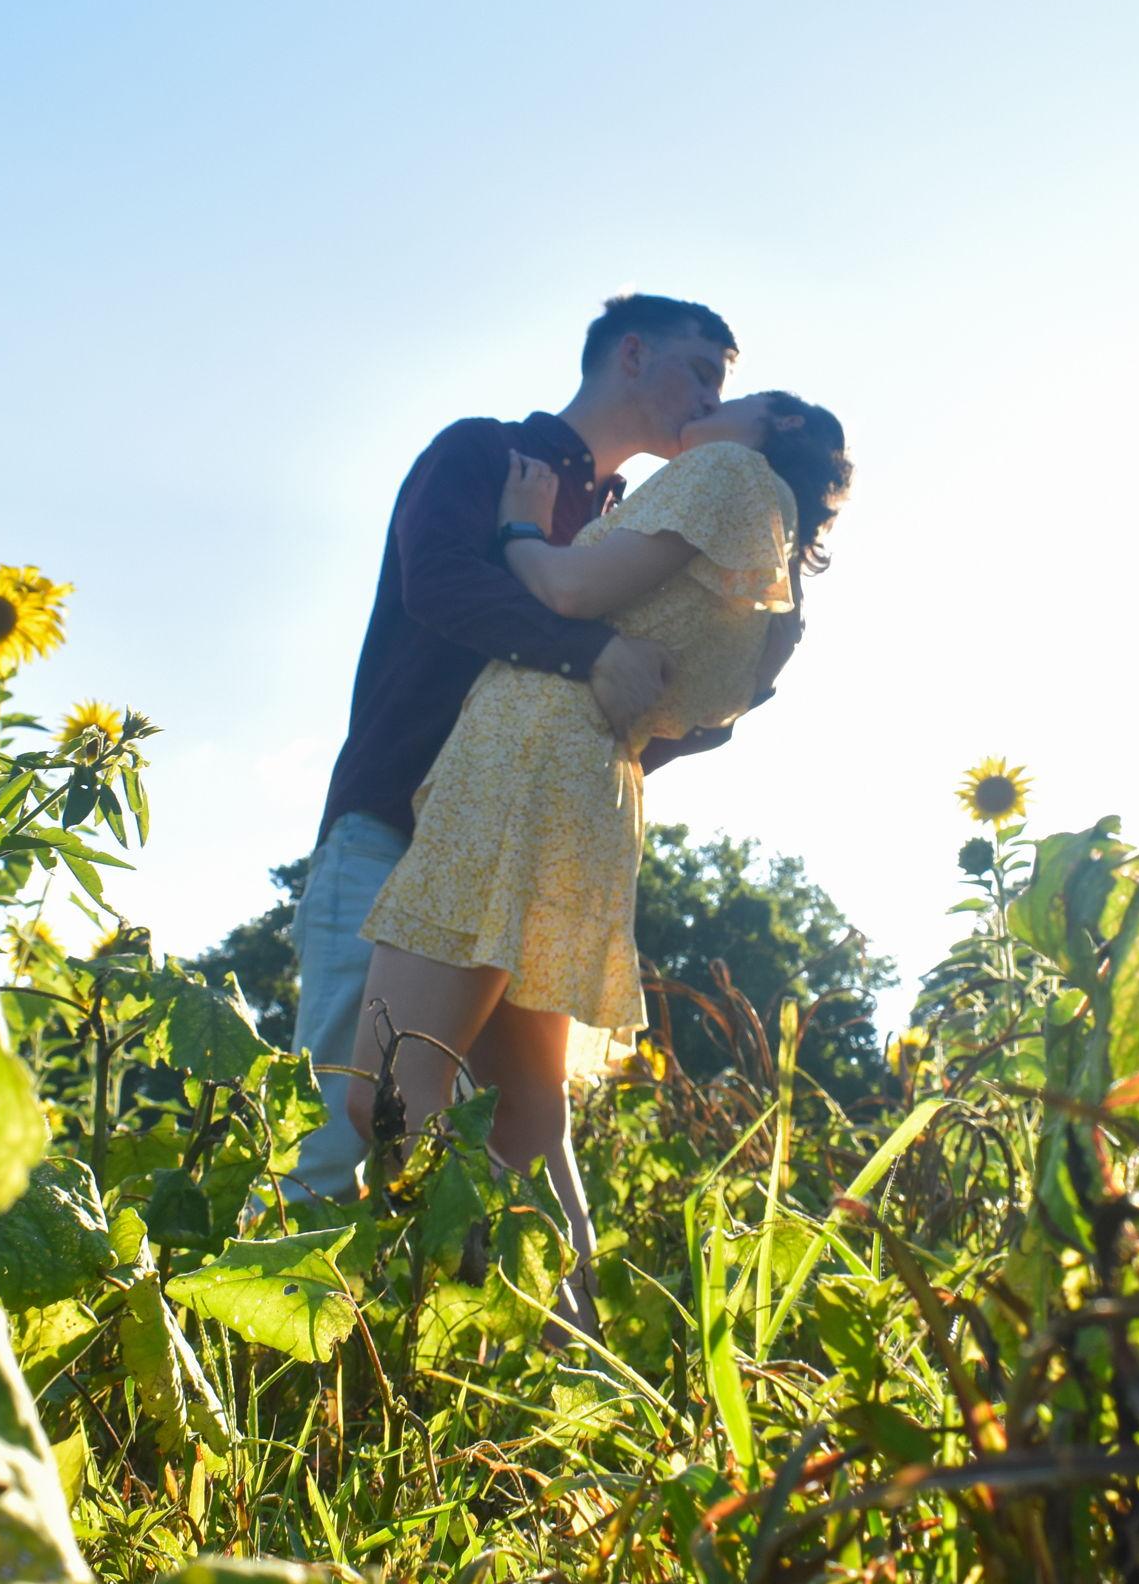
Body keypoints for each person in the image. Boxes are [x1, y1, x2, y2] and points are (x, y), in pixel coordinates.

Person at [346, 389, 851, 1329]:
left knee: (385, 1091)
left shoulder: (728, 474)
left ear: (775, 425)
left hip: (521, 772)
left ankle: (441, 1345)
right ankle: (575, 1366)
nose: (708, 400)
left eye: (732, 389)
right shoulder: (772, 568)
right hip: (590, 798)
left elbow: (570, 593)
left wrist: (516, 528)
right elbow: (705, 713)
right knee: (527, 1120)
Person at [287, 292, 790, 1203]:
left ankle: (523, 1336)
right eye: (702, 375)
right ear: (630, 355)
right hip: (390, 821)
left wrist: (706, 706)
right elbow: (435, 583)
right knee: (342, 1125)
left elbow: (614, 710)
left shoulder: (635, 525)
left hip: (519, 858)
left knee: (514, 1145)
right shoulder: (483, 452)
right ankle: (271, 1343)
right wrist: (591, 649)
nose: (710, 405)